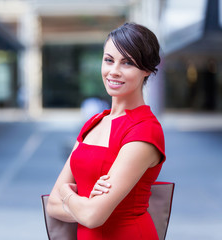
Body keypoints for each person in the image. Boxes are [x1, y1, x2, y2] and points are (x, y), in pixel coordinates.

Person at [46, 22, 166, 240]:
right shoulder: (94, 122)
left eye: (127, 63)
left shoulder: (145, 130)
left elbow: (93, 216)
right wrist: (84, 203)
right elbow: (52, 206)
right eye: (109, 60)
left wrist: (66, 192)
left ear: (146, 69)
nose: (114, 71)